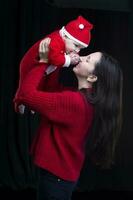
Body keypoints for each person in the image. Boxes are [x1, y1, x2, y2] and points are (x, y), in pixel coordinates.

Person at [14, 47, 123, 199]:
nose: (81, 57)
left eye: (88, 59)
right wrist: (58, 61)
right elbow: (51, 90)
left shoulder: (75, 103)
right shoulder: (82, 99)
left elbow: (25, 95)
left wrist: (43, 62)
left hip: (56, 179)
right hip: (60, 176)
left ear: (92, 77)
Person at [14, 15, 93, 114]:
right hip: (32, 63)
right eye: (76, 45)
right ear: (64, 36)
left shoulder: (66, 42)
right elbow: (55, 58)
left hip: (49, 65)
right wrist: (69, 60)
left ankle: (35, 103)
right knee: (26, 84)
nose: (77, 50)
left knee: (48, 85)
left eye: (80, 49)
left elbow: (63, 55)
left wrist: (73, 55)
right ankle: (19, 100)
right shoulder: (55, 40)